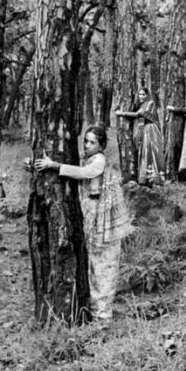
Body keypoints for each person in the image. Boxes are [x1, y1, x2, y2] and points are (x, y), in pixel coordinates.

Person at [32, 125, 133, 321]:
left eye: (92, 142)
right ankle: (94, 308)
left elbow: (85, 173)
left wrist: (54, 165)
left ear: (101, 146)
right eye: (86, 141)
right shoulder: (87, 159)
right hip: (91, 216)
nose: (87, 145)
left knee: (104, 264)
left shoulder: (99, 160)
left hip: (101, 219)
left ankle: (103, 312)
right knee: (93, 262)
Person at [116, 88, 165, 186]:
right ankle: (145, 177)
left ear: (147, 95)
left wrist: (122, 113)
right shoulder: (139, 105)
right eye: (140, 94)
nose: (141, 96)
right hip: (144, 131)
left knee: (151, 152)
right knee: (144, 152)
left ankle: (154, 178)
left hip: (150, 129)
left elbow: (138, 114)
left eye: (143, 94)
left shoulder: (151, 103)